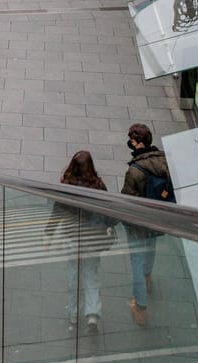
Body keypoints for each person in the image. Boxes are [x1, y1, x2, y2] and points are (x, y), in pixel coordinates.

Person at [48, 150, 115, 333]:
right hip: (92, 239)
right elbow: (109, 211)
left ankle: (73, 312)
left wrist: (49, 232)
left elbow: (58, 210)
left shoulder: (67, 186)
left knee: (73, 275)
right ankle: (92, 313)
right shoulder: (99, 186)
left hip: (72, 237)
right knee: (91, 275)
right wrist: (109, 226)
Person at [120, 123, 173, 326]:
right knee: (151, 246)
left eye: (131, 141)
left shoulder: (135, 170)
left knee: (136, 259)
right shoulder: (163, 160)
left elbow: (127, 199)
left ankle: (140, 305)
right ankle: (148, 277)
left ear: (138, 144)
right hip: (157, 216)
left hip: (139, 221)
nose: (130, 144)